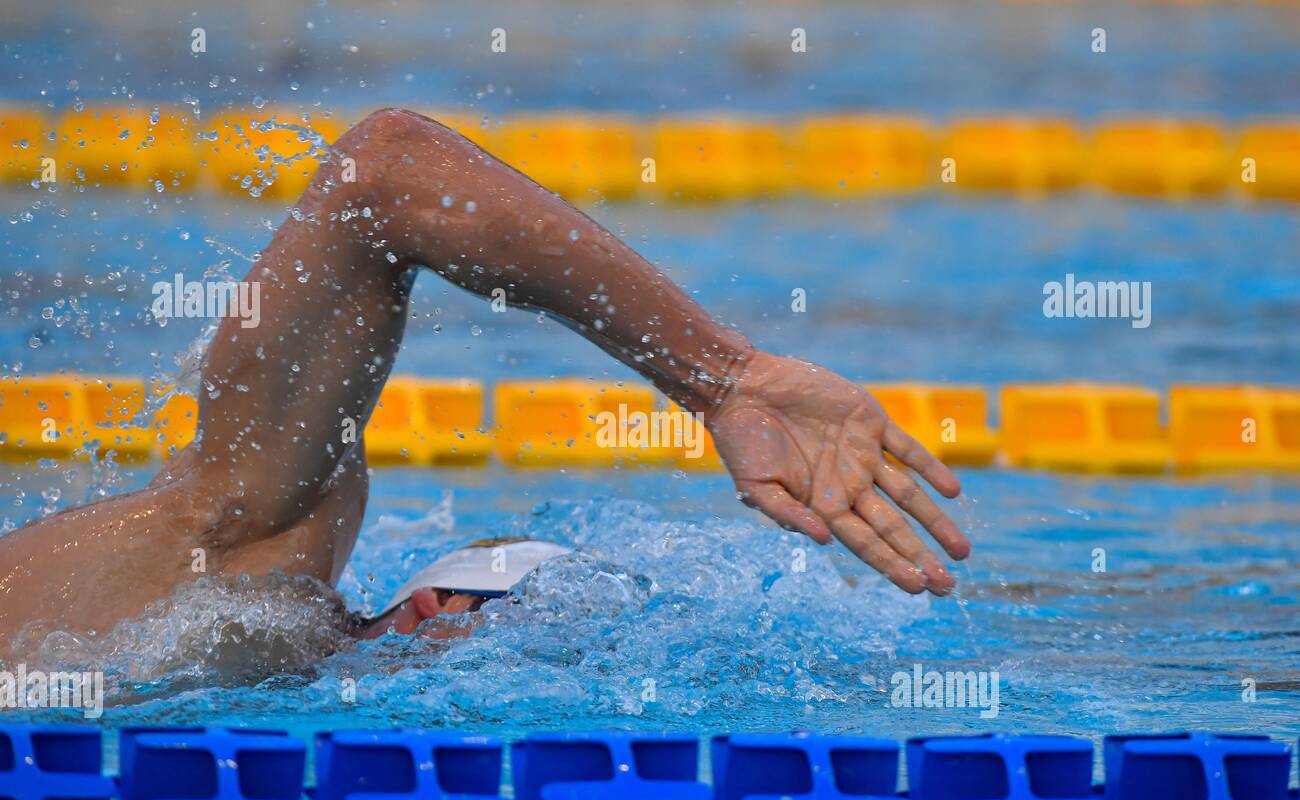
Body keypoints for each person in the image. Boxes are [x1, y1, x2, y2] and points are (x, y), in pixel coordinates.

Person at [0, 108, 970, 651]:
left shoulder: (253, 634)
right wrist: (724, 379)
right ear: (439, 609)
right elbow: (385, 173)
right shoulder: (265, 531)